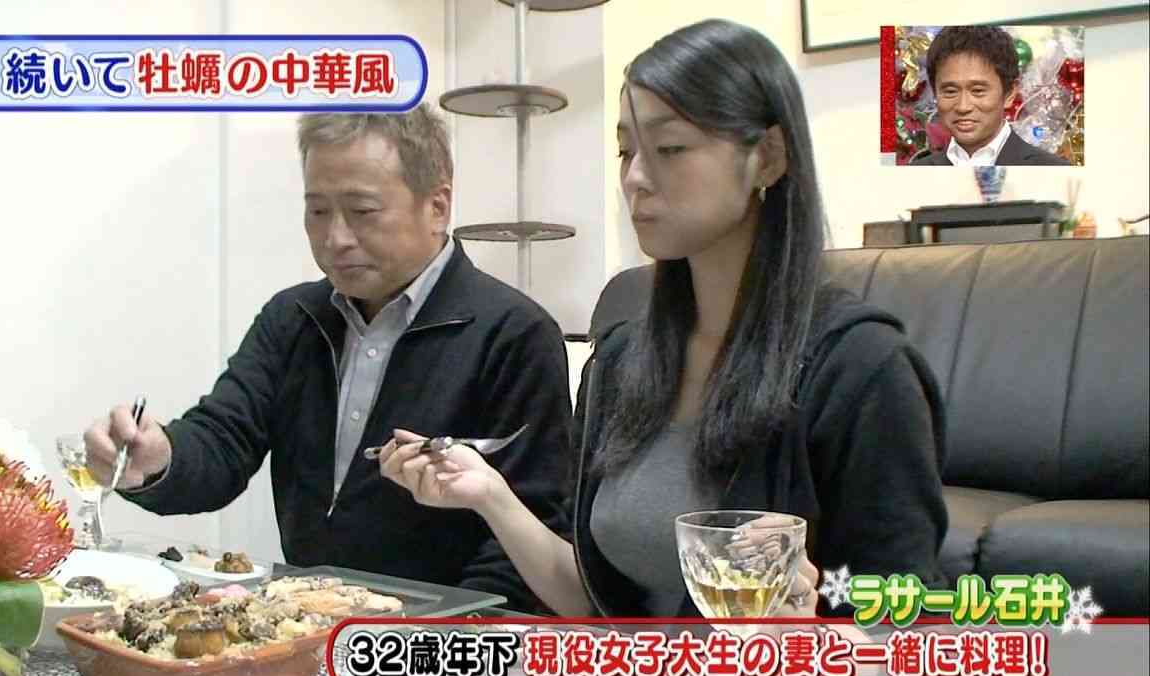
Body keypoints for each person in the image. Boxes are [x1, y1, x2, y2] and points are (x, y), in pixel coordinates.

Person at [381, 20, 948, 620]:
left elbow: (906, 638)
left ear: (768, 157)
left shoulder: (861, 368)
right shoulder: (621, 360)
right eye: (626, 151)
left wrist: (805, 635)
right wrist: (490, 495)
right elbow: (597, 601)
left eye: (670, 149)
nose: (634, 178)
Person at [84, 103, 573, 611]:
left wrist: (427, 638)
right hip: (305, 620)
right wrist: (158, 459)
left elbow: (528, 536)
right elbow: (223, 441)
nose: (335, 238)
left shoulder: (513, 334)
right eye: (317, 211)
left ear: (437, 206)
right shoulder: (294, 317)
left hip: (439, 635)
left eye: (363, 211)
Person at [909, 25, 1070, 166]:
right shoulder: (914, 175)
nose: (963, 107)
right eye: (950, 91)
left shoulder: (1053, 171)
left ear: (1009, 93)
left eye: (978, 91)